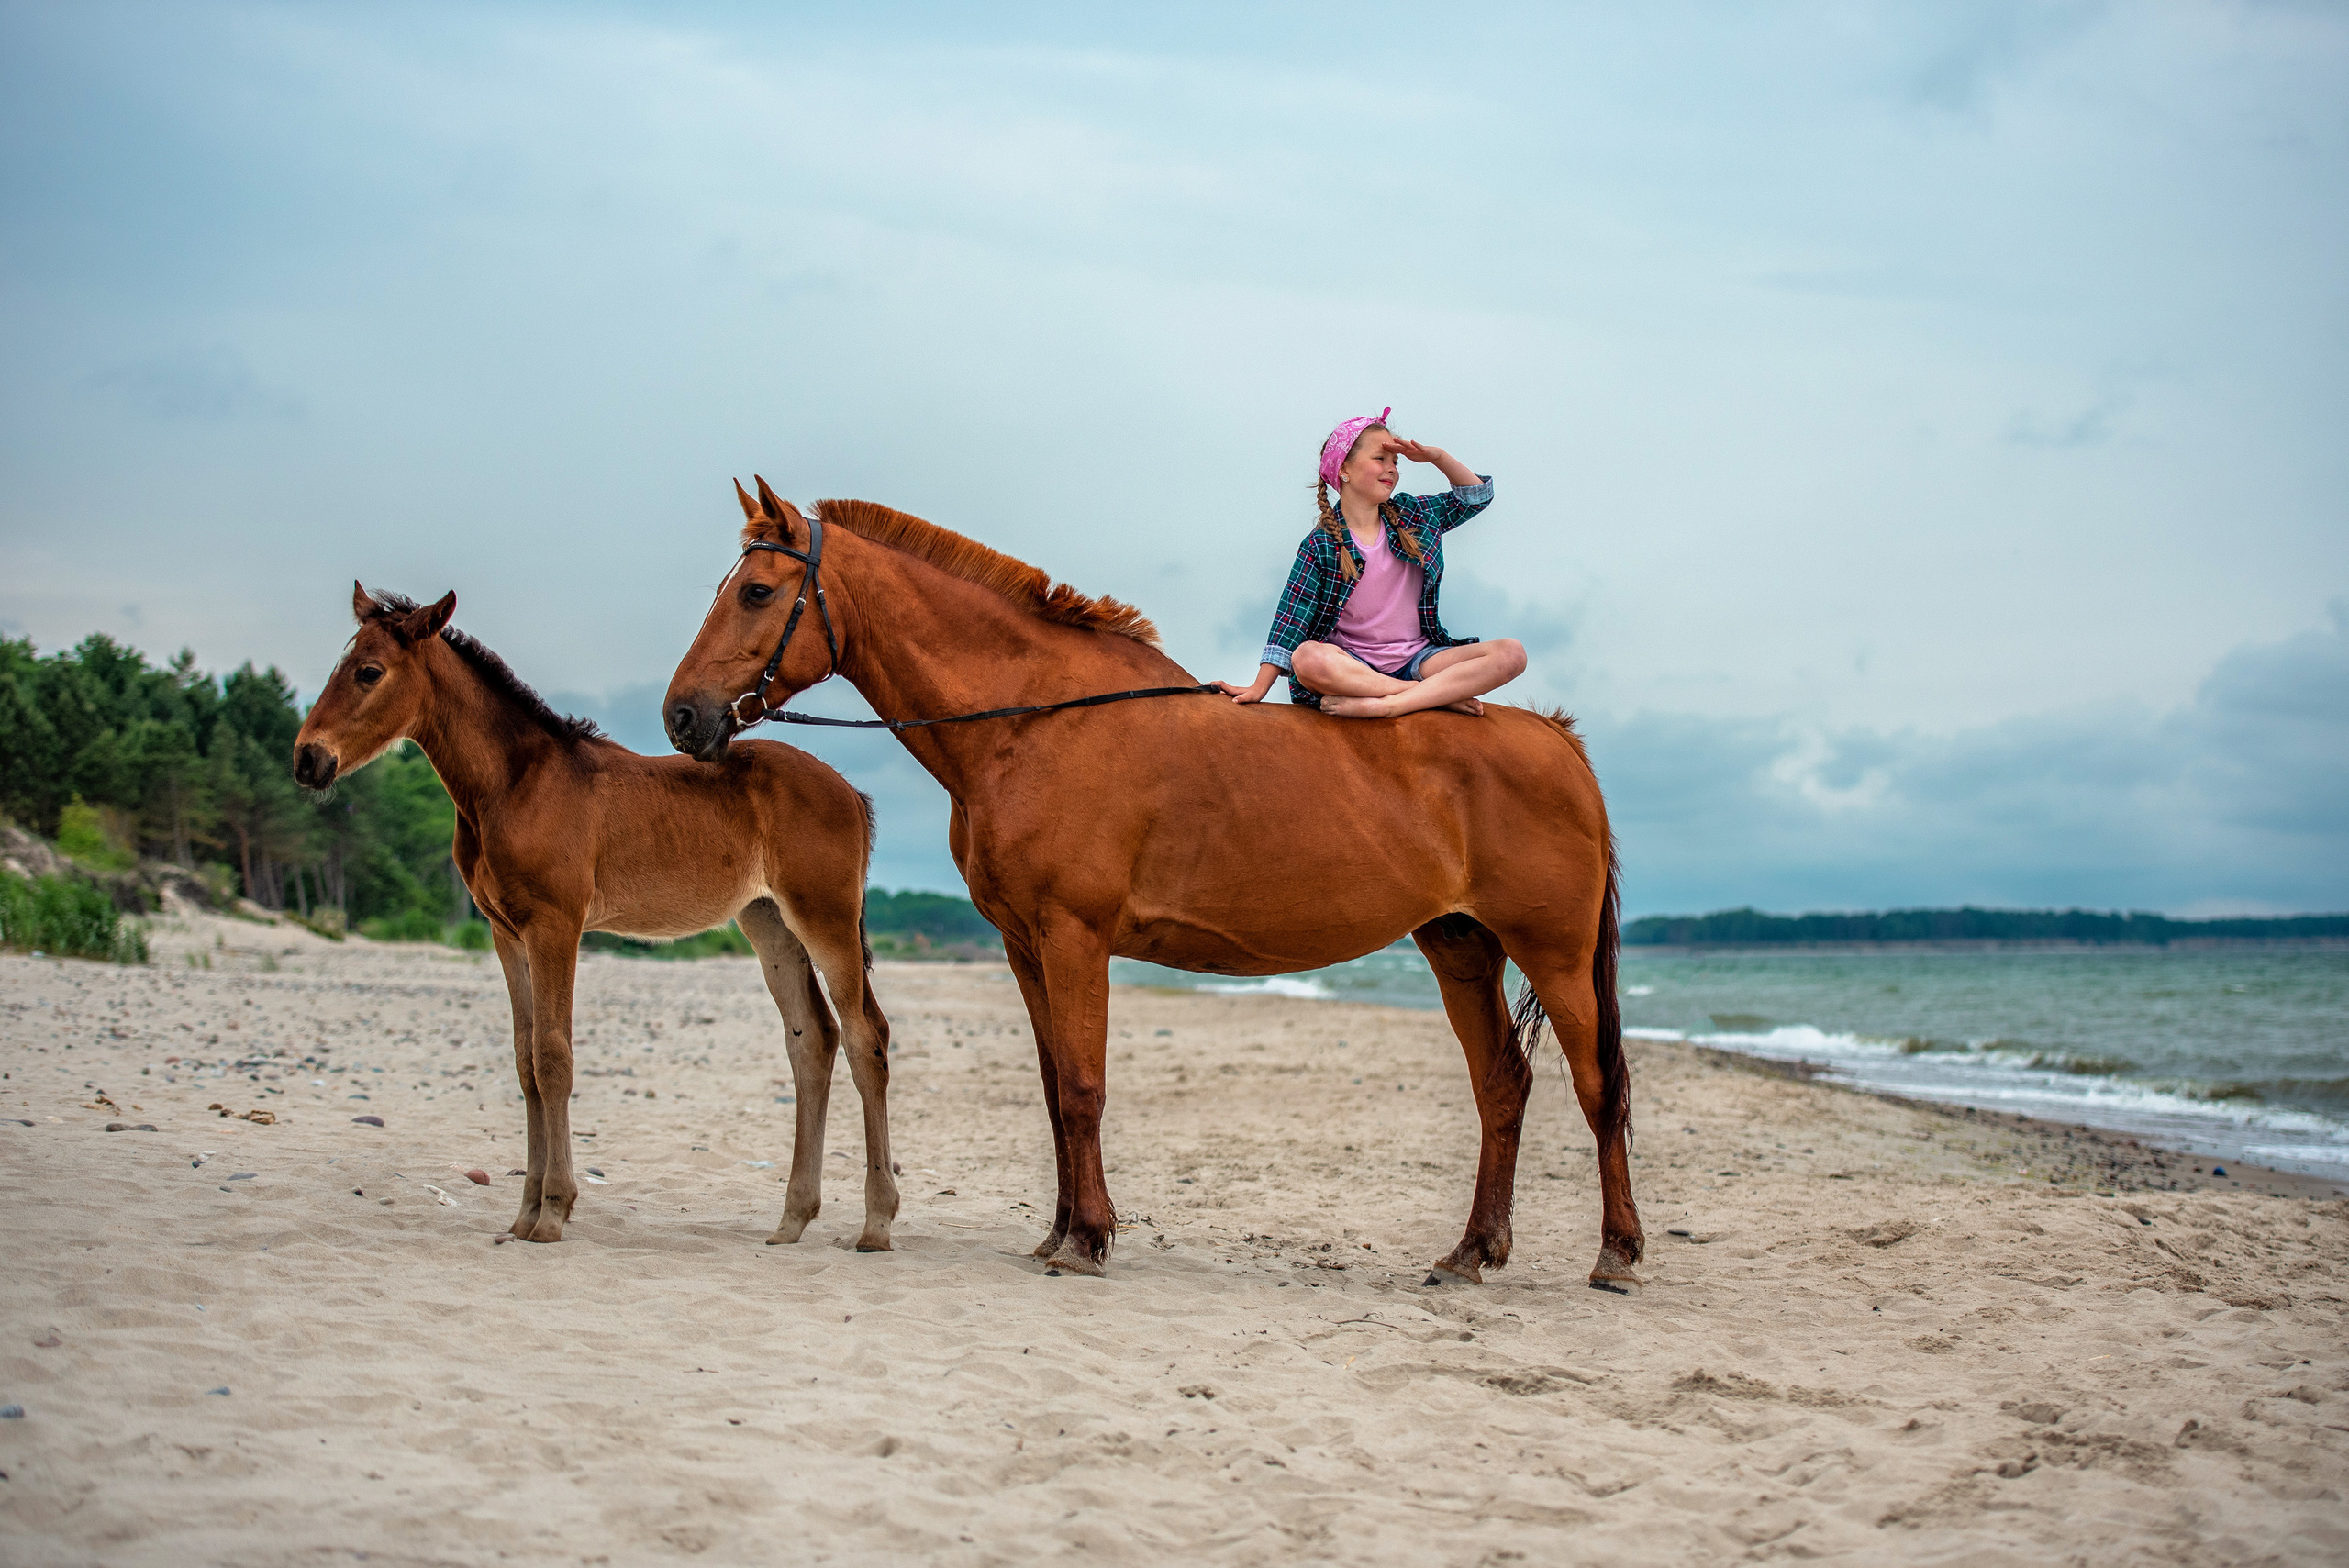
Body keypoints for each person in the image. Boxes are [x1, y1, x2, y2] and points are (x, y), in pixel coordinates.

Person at [1214, 409, 1526, 718]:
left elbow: (1475, 498)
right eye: (1380, 459)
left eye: (1395, 462)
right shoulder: (1320, 544)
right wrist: (1258, 687)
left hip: (1420, 660)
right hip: (1354, 670)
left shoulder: (1413, 516)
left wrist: (1437, 457)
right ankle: (1431, 696)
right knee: (1307, 658)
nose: (1392, 469)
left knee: (1511, 653)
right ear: (1344, 469)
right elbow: (1290, 619)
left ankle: (1390, 704)